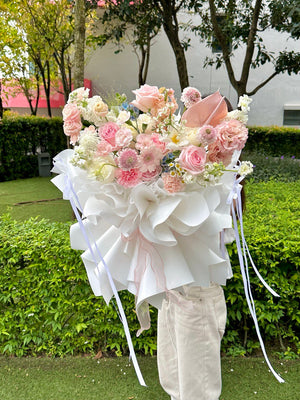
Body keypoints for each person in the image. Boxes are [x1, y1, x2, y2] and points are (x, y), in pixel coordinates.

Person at [156, 96, 242, 400]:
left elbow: (219, 223)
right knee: (175, 380)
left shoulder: (226, 177)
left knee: (197, 389)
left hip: (198, 292)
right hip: (175, 289)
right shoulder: (179, 168)